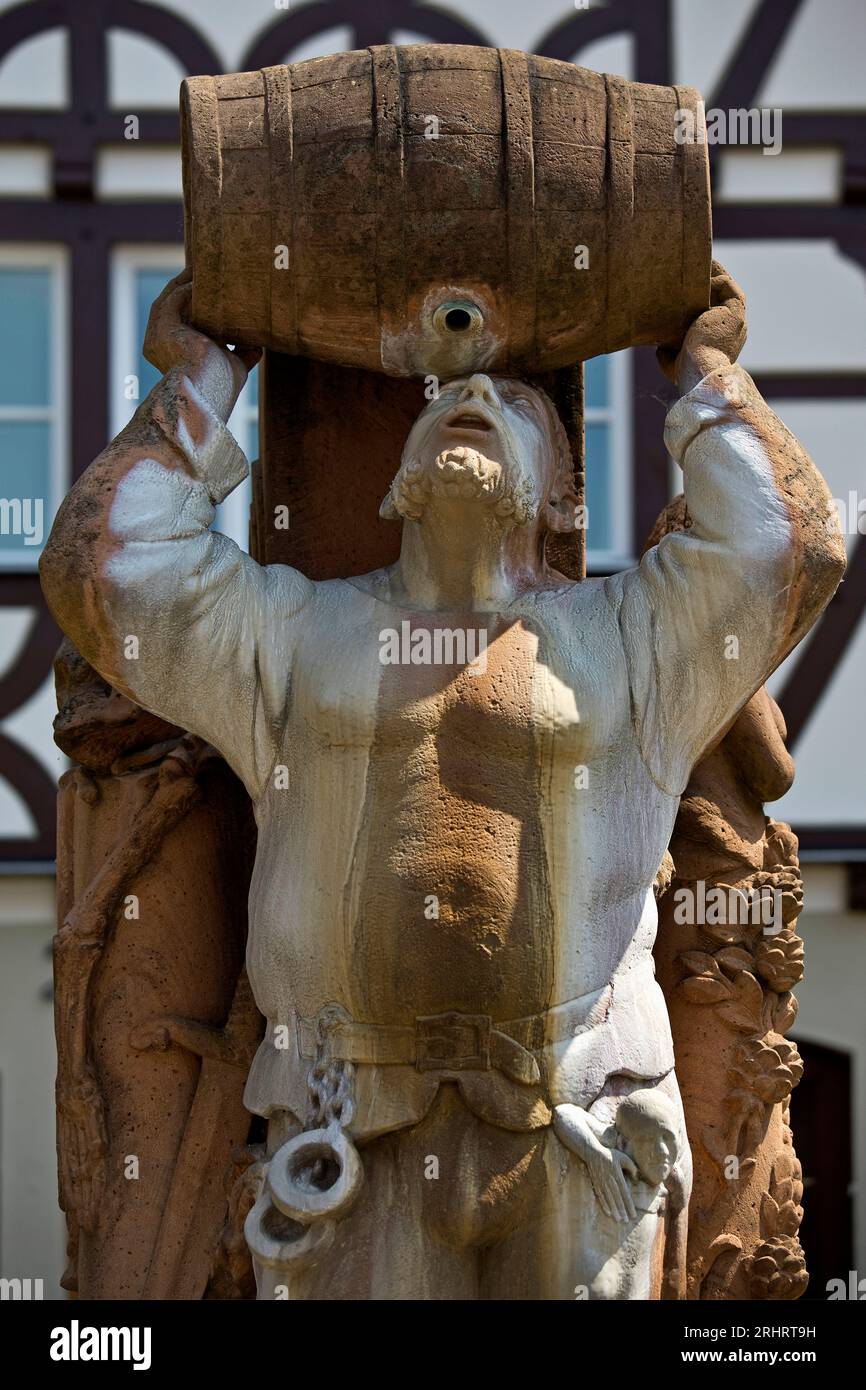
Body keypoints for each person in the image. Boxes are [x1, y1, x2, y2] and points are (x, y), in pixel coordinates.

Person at [40, 263, 845, 1299]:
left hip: (580, 1117)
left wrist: (701, 374)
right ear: (393, 484)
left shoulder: (631, 637)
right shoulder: (293, 635)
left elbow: (788, 549)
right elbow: (107, 573)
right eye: (445, 402)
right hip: (346, 1127)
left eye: (509, 403)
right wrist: (199, 379)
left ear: (556, 489)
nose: (468, 399)